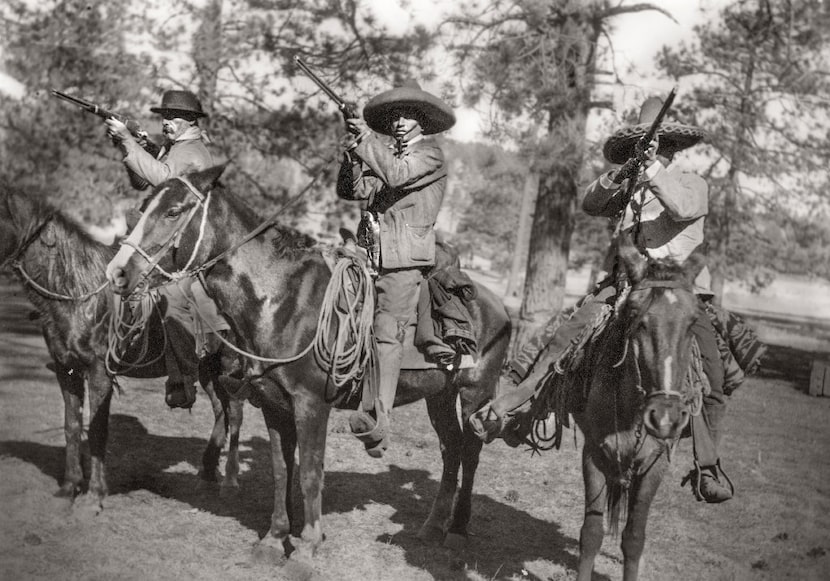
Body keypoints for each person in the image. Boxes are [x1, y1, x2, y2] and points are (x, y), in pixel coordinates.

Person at [472, 96, 760, 503]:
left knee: (712, 377)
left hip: (681, 295)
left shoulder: (693, 184)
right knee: (563, 338)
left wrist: (653, 170)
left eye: (659, 144)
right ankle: (521, 410)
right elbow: (591, 203)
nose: (653, 150)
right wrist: (624, 172)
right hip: (628, 289)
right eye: (645, 145)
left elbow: (678, 211)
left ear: (673, 149)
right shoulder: (631, 185)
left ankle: (707, 465)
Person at [336, 80, 456, 458]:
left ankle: (376, 420)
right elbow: (351, 190)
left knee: (387, 332)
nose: (400, 122)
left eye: (408, 116)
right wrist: (354, 149)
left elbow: (396, 176)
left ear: (422, 122)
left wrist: (366, 139)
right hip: (367, 255)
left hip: (404, 260)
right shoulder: (384, 153)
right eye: (396, 117)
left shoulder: (430, 156)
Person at [106, 89, 233, 409]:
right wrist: (134, 146)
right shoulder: (175, 148)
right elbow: (141, 183)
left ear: (190, 122)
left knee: (171, 298)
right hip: (158, 238)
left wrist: (130, 142)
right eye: (163, 117)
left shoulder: (193, 153)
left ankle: (183, 377)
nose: (165, 123)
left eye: (172, 118)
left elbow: (163, 181)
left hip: (182, 246)